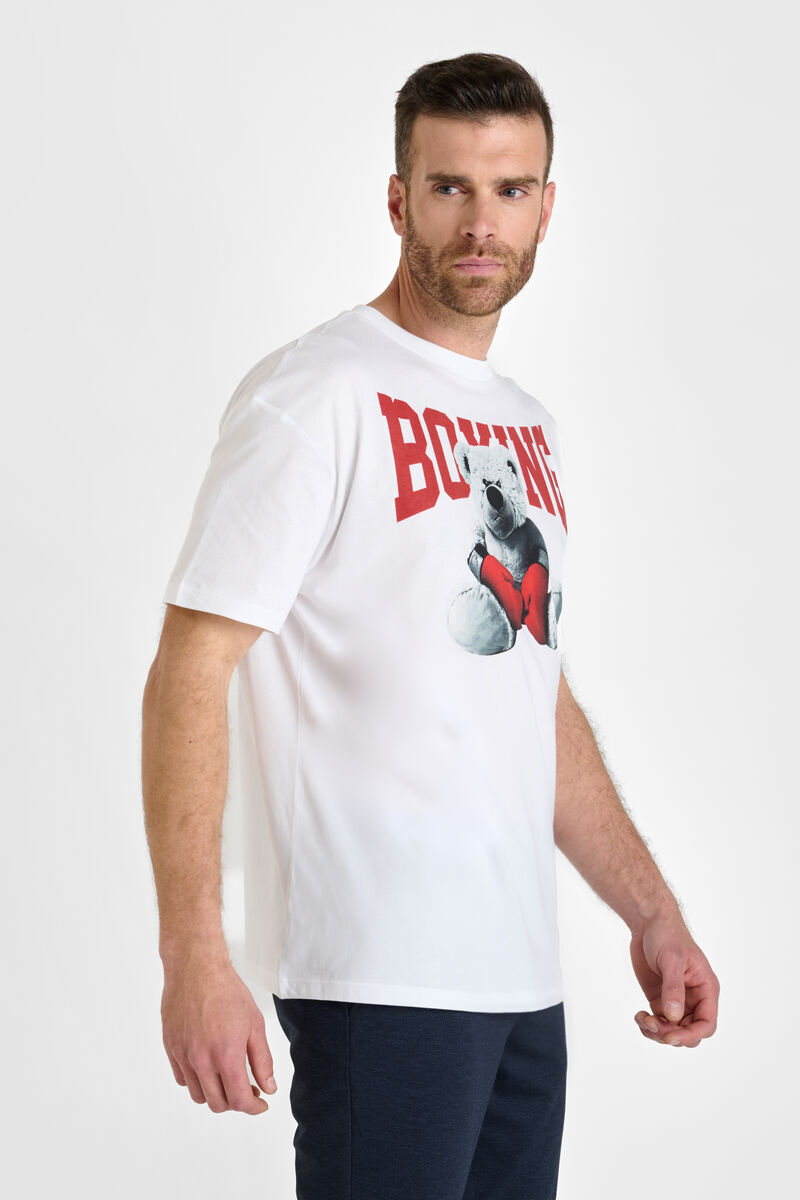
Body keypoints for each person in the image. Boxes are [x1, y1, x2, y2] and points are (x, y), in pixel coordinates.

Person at [141, 51, 719, 1200]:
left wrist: (651, 912)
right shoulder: (317, 394)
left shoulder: (524, 425)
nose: (479, 223)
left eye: (509, 190)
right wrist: (194, 951)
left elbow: (528, 691)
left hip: (518, 981)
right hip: (378, 975)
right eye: (449, 186)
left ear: (546, 208)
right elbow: (192, 666)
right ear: (398, 198)